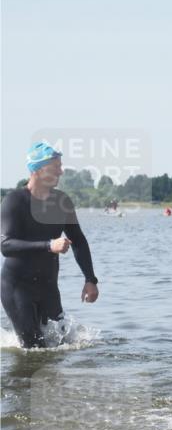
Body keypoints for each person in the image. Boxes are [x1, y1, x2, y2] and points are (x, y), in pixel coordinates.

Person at [1, 141, 99, 348]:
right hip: (17, 287)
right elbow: (6, 245)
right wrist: (48, 245)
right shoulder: (15, 200)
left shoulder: (62, 201)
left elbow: (78, 240)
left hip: (48, 288)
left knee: (60, 347)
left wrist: (90, 279)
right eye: (56, 167)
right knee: (34, 349)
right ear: (38, 169)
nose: (61, 172)